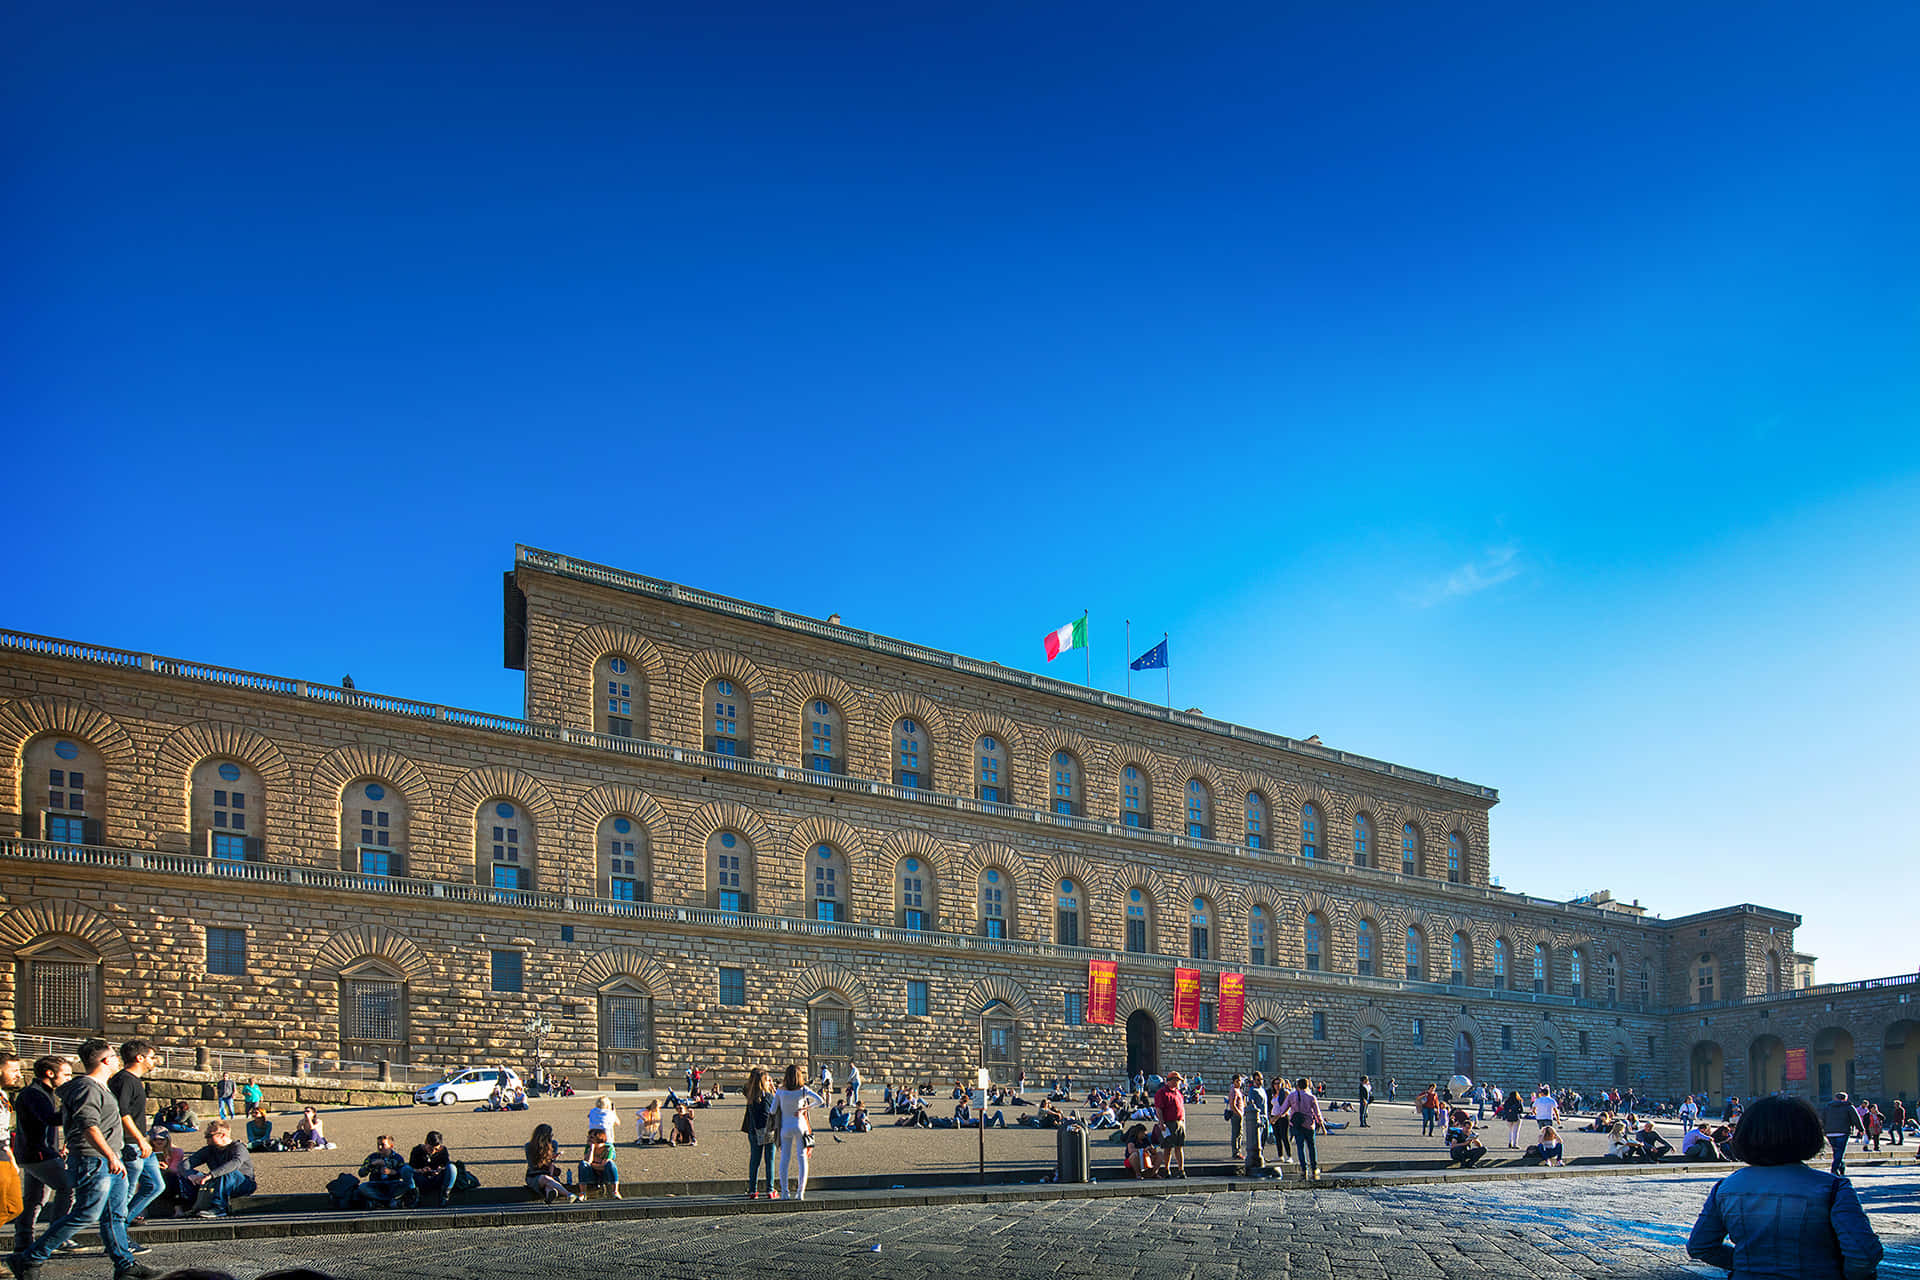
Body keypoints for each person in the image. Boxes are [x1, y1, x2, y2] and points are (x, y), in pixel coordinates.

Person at [1687, 1095, 1883, 1280]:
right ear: (1810, 1134)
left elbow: (1700, 1246)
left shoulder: (1725, 1187)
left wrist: (1746, 1263)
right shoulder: (1833, 1188)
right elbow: (1864, 1253)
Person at [7, 1037, 152, 1280]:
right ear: (105, 1061)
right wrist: (110, 1155)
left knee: (115, 1215)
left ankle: (125, 1265)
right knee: (87, 1213)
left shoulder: (100, 1086)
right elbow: (88, 1125)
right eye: (114, 1057)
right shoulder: (87, 1087)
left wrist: (115, 1155)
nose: (118, 1061)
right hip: (94, 1160)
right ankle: (29, 1258)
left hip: (110, 1160)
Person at [11, 1055, 74, 1259]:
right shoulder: (35, 1094)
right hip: (39, 1153)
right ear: (50, 1073)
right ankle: (57, 1236)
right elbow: (51, 1119)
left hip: (35, 1152)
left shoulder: (39, 1092)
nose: (69, 1078)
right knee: (67, 1188)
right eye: (66, 1074)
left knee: (34, 1199)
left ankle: (23, 1241)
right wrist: (73, 1106)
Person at [109, 1040, 164, 1230]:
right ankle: (116, 1229)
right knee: (126, 1190)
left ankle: (124, 1220)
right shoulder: (124, 1080)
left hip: (141, 1143)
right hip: (130, 1143)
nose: (154, 1061)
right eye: (152, 1057)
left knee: (155, 1185)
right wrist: (140, 1139)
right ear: (140, 1058)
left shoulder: (134, 1080)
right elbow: (122, 1112)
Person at [182, 1120, 255, 1219]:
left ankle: (219, 1207)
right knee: (184, 1175)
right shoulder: (209, 1149)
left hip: (242, 1184)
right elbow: (184, 1164)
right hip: (219, 1181)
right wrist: (191, 1175)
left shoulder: (238, 1148)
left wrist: (211, 1175)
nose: (206, 1138)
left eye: (209, 1135)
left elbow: (235, 1163)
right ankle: (192, 1206)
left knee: (227, 1171)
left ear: (222, 1135)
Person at [774, 1065, 826, 1202]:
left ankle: (785, 1193)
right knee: (802, 1159)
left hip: (785, 1126)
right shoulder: (803, 1090)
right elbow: (820, 1100)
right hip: (800, 1125)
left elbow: (772, 1110)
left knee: (784, 1159)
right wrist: (805, 1108)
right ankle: (800, 1193)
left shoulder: (780, 1091)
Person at [1279, 1077, 1327, 1182]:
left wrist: (1276, 1117)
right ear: (1307, 1085)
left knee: (1300, 1147)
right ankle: (1314, 1168)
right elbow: (1317, 1113)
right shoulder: (1311, 1097)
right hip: (1309, 1125)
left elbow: (1283, 1109)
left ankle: (1304, 1169)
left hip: (1296, 1125)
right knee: (1311, 1147)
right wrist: (1322, 1126)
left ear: (1298, 1086)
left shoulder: (1291, 1096)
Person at [740, 1068, 778, 1199]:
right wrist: (773, 1089)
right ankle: (770, 1190)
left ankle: (753, 1191)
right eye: (768, 1080)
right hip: (768, 1132)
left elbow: (746, 1087)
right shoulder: (768, 1097)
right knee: (770, 1161)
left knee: (754, 1162)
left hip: (753, 1131)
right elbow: (773, 1110)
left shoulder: (750, 1095)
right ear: (764, 1082)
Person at [352, 1135, 416, 1209]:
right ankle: (389, 1202)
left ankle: (380, 1203)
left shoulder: (397, 1158)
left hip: (393, 1185)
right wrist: (372, 1164)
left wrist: (391, 1172)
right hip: (377, 1185)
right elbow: (361, 1173)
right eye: (378, 1145)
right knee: (362, 1187)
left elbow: (403, 1174)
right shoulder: (372, 1157)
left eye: (383, 1145)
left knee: (408, 1182)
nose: (380, 1147)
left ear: (391, 1146)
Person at [523, 1124, 578, 1205]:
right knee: (545, 1178)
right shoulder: (529, 1146)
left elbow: (551, 1166)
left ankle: (549, 1196)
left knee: (549, 1184)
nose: (552, 1136)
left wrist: (551, 1160)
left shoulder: (553, 1144)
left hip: (549, 1173)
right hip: (534, 1176)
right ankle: (569, 1195)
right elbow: (533, 1166)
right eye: (551, 1134)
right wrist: (545, 1159)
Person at [0, 1057, 23, 1245]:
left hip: (4, 1153)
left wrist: (10, 1156)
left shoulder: (3, 1095)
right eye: (14, 1070)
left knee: (14, 1207)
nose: (19, 1075)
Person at [1820, 1092, 1866, 1176]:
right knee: (1840, 1152)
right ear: (1845, 1099)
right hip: (1843, 1132)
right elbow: (1856, 1118)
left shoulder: (1828, 1107)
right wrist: (1861, 1129)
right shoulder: (1848, 1107)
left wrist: (1822, 1130)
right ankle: (1834, 1169)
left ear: (1835, 1098)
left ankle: (1842, 1168)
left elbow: (1822, 1119)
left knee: (1837, 1151)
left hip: (1830, 1132)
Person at [407, 1131, 458, 1206]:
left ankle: (445, 1195)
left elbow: (445, 1165)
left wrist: (440, 1169)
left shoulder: (443, 1150)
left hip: (437, 1178)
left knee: (452, 1167)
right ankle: (414, 1194)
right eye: (430, 1148)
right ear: (425, 1143)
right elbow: (411, 1168)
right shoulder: (416, 1150)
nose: (433, 1151)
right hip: (422, 1179)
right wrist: (421, 1170)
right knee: (405, 1169)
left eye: (436, 1149)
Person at [1153, 1072, 1188, 1178]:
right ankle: (1166, 1169)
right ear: (1170, 1081)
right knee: (1168, 1148)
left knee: (1179, 1147)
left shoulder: (1178, 1093)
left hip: (1179, 1122)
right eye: (1176, 1080)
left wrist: (1183, 1122)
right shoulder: (1162, 1093)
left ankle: (1181, 1169)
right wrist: (1161, 1123)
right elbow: (1159, 1109)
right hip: (1168, 1123)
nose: (1178, 1082)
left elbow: (1182, 1108)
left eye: (1179, 1081)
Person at [576, 1127, 620, 1199]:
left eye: (591, 1137)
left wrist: (592, 1165)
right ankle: (582, 1193)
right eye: (588, 1137)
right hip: (592, 1173)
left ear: (599, 1138)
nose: (588, 1139)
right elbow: (587, 1162)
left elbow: (604, 1165)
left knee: (611, 1164)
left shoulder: (608, 1148)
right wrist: (592, 1149)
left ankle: (615, 1192)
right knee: (582, 1164)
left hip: (605, 1174)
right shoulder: (588, 1147)